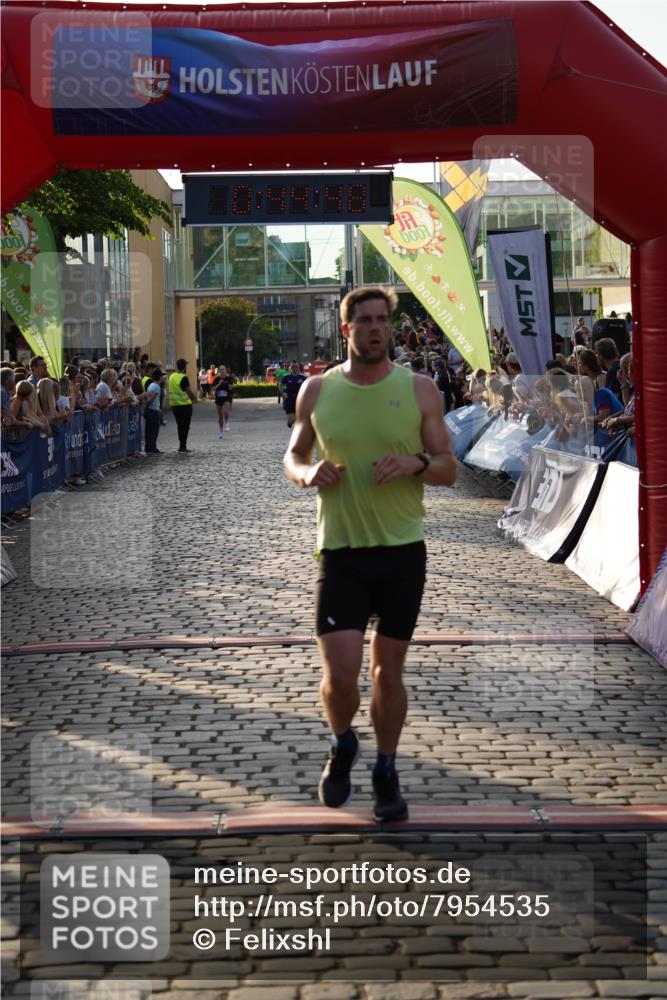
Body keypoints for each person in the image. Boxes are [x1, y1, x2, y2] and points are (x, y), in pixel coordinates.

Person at [283, 286, 457, 822]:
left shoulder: (420, 389)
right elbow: (293, 454)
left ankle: (386, 768)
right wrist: (307, 473)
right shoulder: (316, 390)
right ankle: (342, 743)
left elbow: (449, 467)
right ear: (347, 329)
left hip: (402, 551)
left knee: (386, 672)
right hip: (341, 551)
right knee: (340, 675)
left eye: (383, 319)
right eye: (366, 320)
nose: (377, 328)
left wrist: (415, 463)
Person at [168, 358, 197, 452]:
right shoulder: (183, 378)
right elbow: (190, 393)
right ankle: (183, 446)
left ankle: (181, 445)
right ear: (184, 367)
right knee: (185, 426)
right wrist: (193, 397)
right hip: (185, 406)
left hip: (175, 406)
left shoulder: (172, 376)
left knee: (180, 426)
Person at [280, 361, 307, 427]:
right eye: (292, 367)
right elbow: (280, 385)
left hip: (299, 400)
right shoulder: (286, 377)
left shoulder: (303, 377)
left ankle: (298, 425)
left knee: (300, 418)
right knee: (291, 420)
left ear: (298, 368)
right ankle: (290, 422)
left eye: (296, 367)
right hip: (289, 400)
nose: (294, 368)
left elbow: (309, 386)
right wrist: (283, 393)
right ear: (290, 368)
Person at [144, 368, 163, 454]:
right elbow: (151, 399)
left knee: (148, 430)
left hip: (150, 410)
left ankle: (148, 447)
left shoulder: (151, 385)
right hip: (153, 410)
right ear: (159, 377)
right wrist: (148, 406)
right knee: (154, 430)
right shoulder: (156, 387)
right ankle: (153, 447)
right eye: (162, 376)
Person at [213, 365, 234, 437]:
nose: (222, 371)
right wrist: (219, 384)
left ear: (225, 370)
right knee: (220, 416)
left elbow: (231, 388)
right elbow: (212, 388)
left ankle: (227, 423)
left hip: (226, 398)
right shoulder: (216, 379)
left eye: (223, 369)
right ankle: (221, 431)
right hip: (218, 398)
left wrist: (230, 387)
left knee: (226, 412)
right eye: (221, 369)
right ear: (219, 370)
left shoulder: (229, 378)